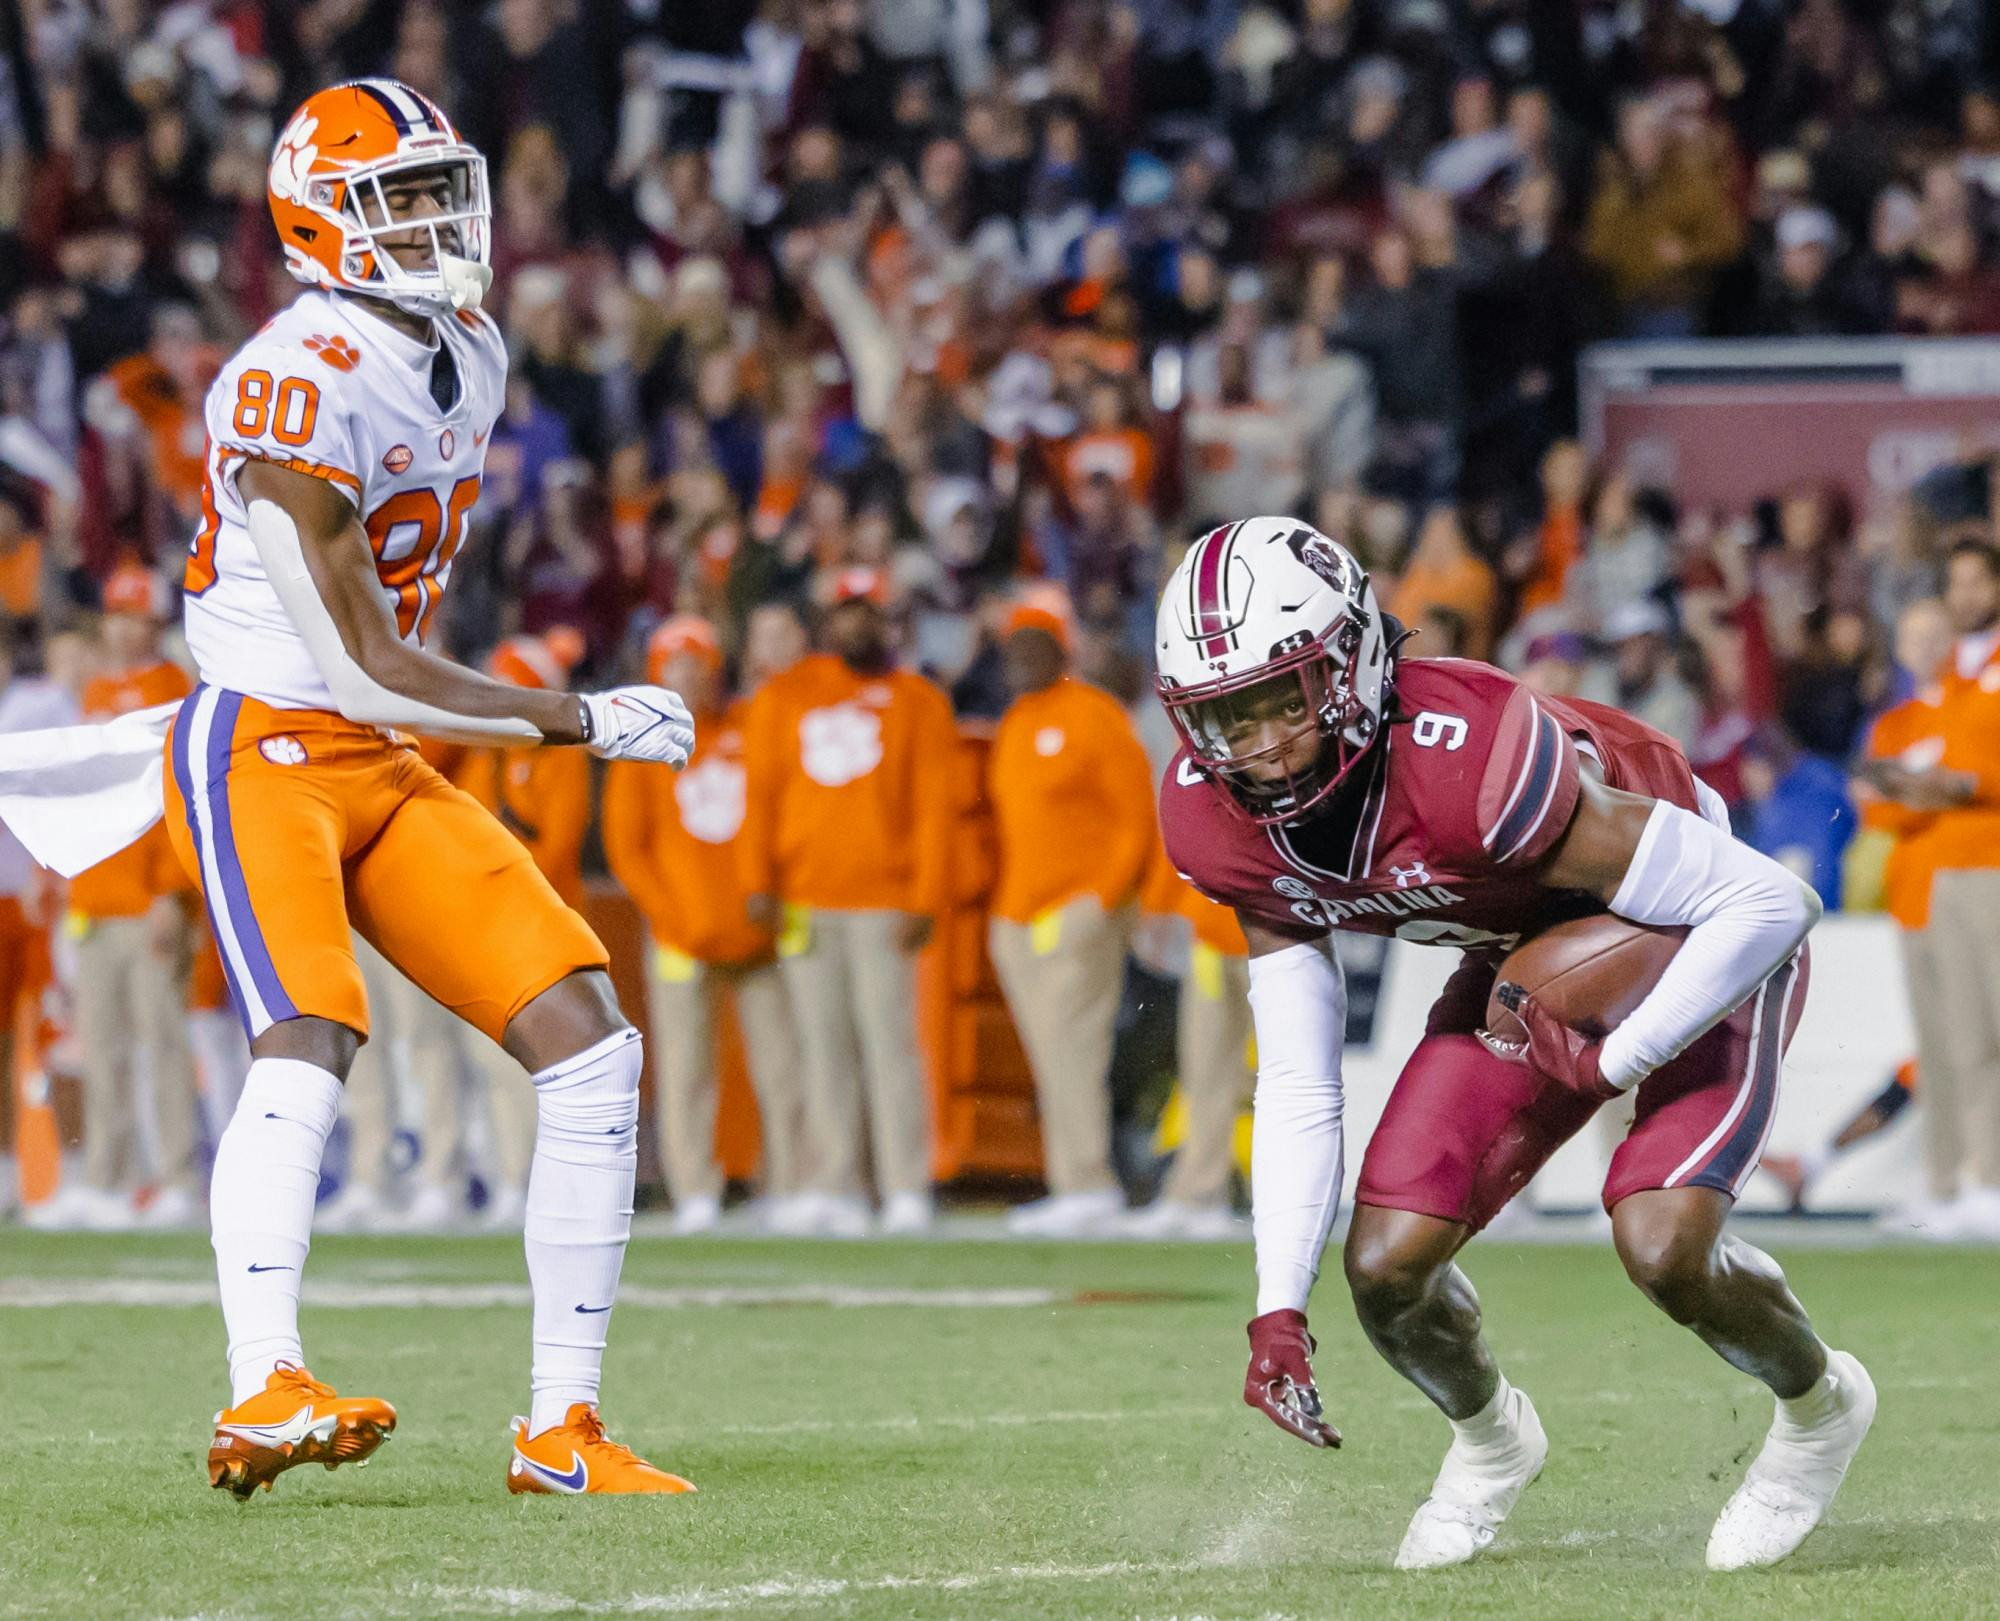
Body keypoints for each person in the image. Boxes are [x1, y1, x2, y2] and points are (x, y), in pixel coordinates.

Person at [3, 82, 700, 1497]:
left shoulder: (475, 351)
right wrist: (578, 718)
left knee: (591, 1038)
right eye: (403, 199)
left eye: (448, 190)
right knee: (308, 1033)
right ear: (322, 219)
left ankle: (561, 1427)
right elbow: (365, 661)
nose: (441, 222)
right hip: (267, 736)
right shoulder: (290, 377)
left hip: (373, 759)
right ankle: (264, 1382)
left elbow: (396, 646)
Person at [1154, 516, 1869, 1571]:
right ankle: (1490, 1442)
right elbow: (1301, 1080)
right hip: (1519, 960)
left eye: (1274, 701)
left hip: (1686, 933)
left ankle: (1817, 1404)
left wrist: (1618, 1058)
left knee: (1662, 1243)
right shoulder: (1216, 822)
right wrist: (1275, 1311)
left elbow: (1769, 900)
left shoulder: (1472, 761)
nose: (1252, 747)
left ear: (1349, 662)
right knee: (1386, 1267)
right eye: (1220, 720)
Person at [739, 568, 956, 1236]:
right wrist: (758, 881)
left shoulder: (917, 700)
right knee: (820, 1044)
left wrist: (926, 895)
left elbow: (933, 808)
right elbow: (762, 796)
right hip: (807, 896)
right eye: (844, 611)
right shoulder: (786, 695)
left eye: (866, 611)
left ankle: (904, 1184)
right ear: (826, 621)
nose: (854, 623)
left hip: (884, 899)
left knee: (891, 1044)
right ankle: (836, 1180)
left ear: (887, 618)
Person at [603, 615, 804, 1235]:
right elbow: (628, 849)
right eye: (676, 667)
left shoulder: (750, 728)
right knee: (686, 1070)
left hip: (754, 930)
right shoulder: (640, 750)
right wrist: (673, 916)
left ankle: (791, 1184)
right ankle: (695, 1187)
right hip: (680, 934)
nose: (688, 678)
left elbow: (777, 812)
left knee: (781, 1063)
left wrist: (761, 893)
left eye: (698, 666)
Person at [985, 600, 1155, 1237]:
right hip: (1019, 918)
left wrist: (1104, 900)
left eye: (1034, 644)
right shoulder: (1016, 723)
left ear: (1062, 650)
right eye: (1013, 646)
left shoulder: (1094, 714)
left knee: (1074, 1049)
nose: (1020, 657)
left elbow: (1136, 814)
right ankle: (1071, 1181)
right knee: (1050, 1054)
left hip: (1077, 911)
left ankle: (1087, 1182)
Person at [1856, 542, 2000, 1239]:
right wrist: (1931, 793)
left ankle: (1985, 1179)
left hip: (1974, 871)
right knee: (1943, 1043)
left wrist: (1927, 791)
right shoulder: (1912, 715)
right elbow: (1882, 805)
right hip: (1925, 886)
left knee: (1979, 1036)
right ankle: (1948, 1185)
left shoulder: (1969, 693)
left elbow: (1963, 779)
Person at [64, 566, 201, 1228]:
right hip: (95, 894)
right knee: (103, 1045)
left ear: (155, 623)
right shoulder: (95, 688)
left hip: (147, 896)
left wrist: (172, 893)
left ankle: (177, 1175)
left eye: (132, 615)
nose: (120, 626)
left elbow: (178, 799)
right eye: (113, 614)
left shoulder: (174, 690)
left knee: (162, 1040)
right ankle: (106, 1177)